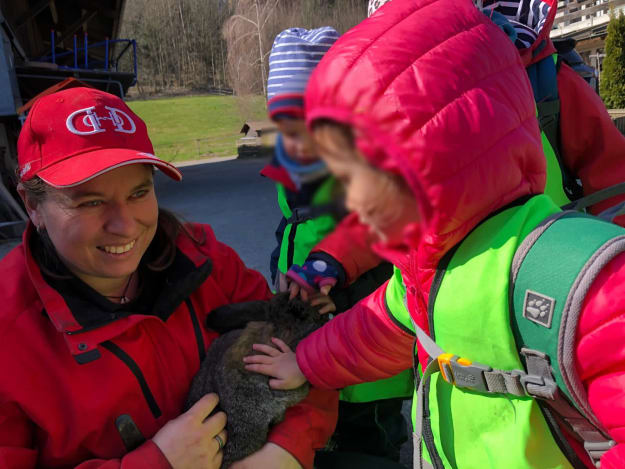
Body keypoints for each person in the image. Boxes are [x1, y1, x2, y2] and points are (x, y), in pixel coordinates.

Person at [243, 0, 625, 467]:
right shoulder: (427, 269)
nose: (342, 199)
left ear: (418, 161)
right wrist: (302, 363)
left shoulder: (582, 285)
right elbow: (374, 331)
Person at [0, 87, 338, 469]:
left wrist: (287, 450)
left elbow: (308, 353)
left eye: (139, 192)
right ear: (33, 206)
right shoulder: (9, 333)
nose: (125, 225)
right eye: (89, 201)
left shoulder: (206, 260)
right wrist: (158, 463)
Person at [263, 27, 412, 462]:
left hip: (365, 357)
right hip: (311, 344)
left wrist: (342, 297)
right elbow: (289, 234)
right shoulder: (292, 174)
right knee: (321, 435)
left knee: (370, 443)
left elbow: (394, 262)